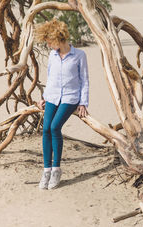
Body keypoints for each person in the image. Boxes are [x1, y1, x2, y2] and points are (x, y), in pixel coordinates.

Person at [34, 19, 89, 190]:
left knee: (55, 127)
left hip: (70, 98)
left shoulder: (79, 55)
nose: (48, 45)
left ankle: (56, 169)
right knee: (45, 129)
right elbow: (50, 78)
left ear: (59, 38)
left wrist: (83, 102)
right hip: (52, 96)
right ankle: (46, 170)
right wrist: (43, 97)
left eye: (50, 41)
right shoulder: (53, 55)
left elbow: (85, 80)